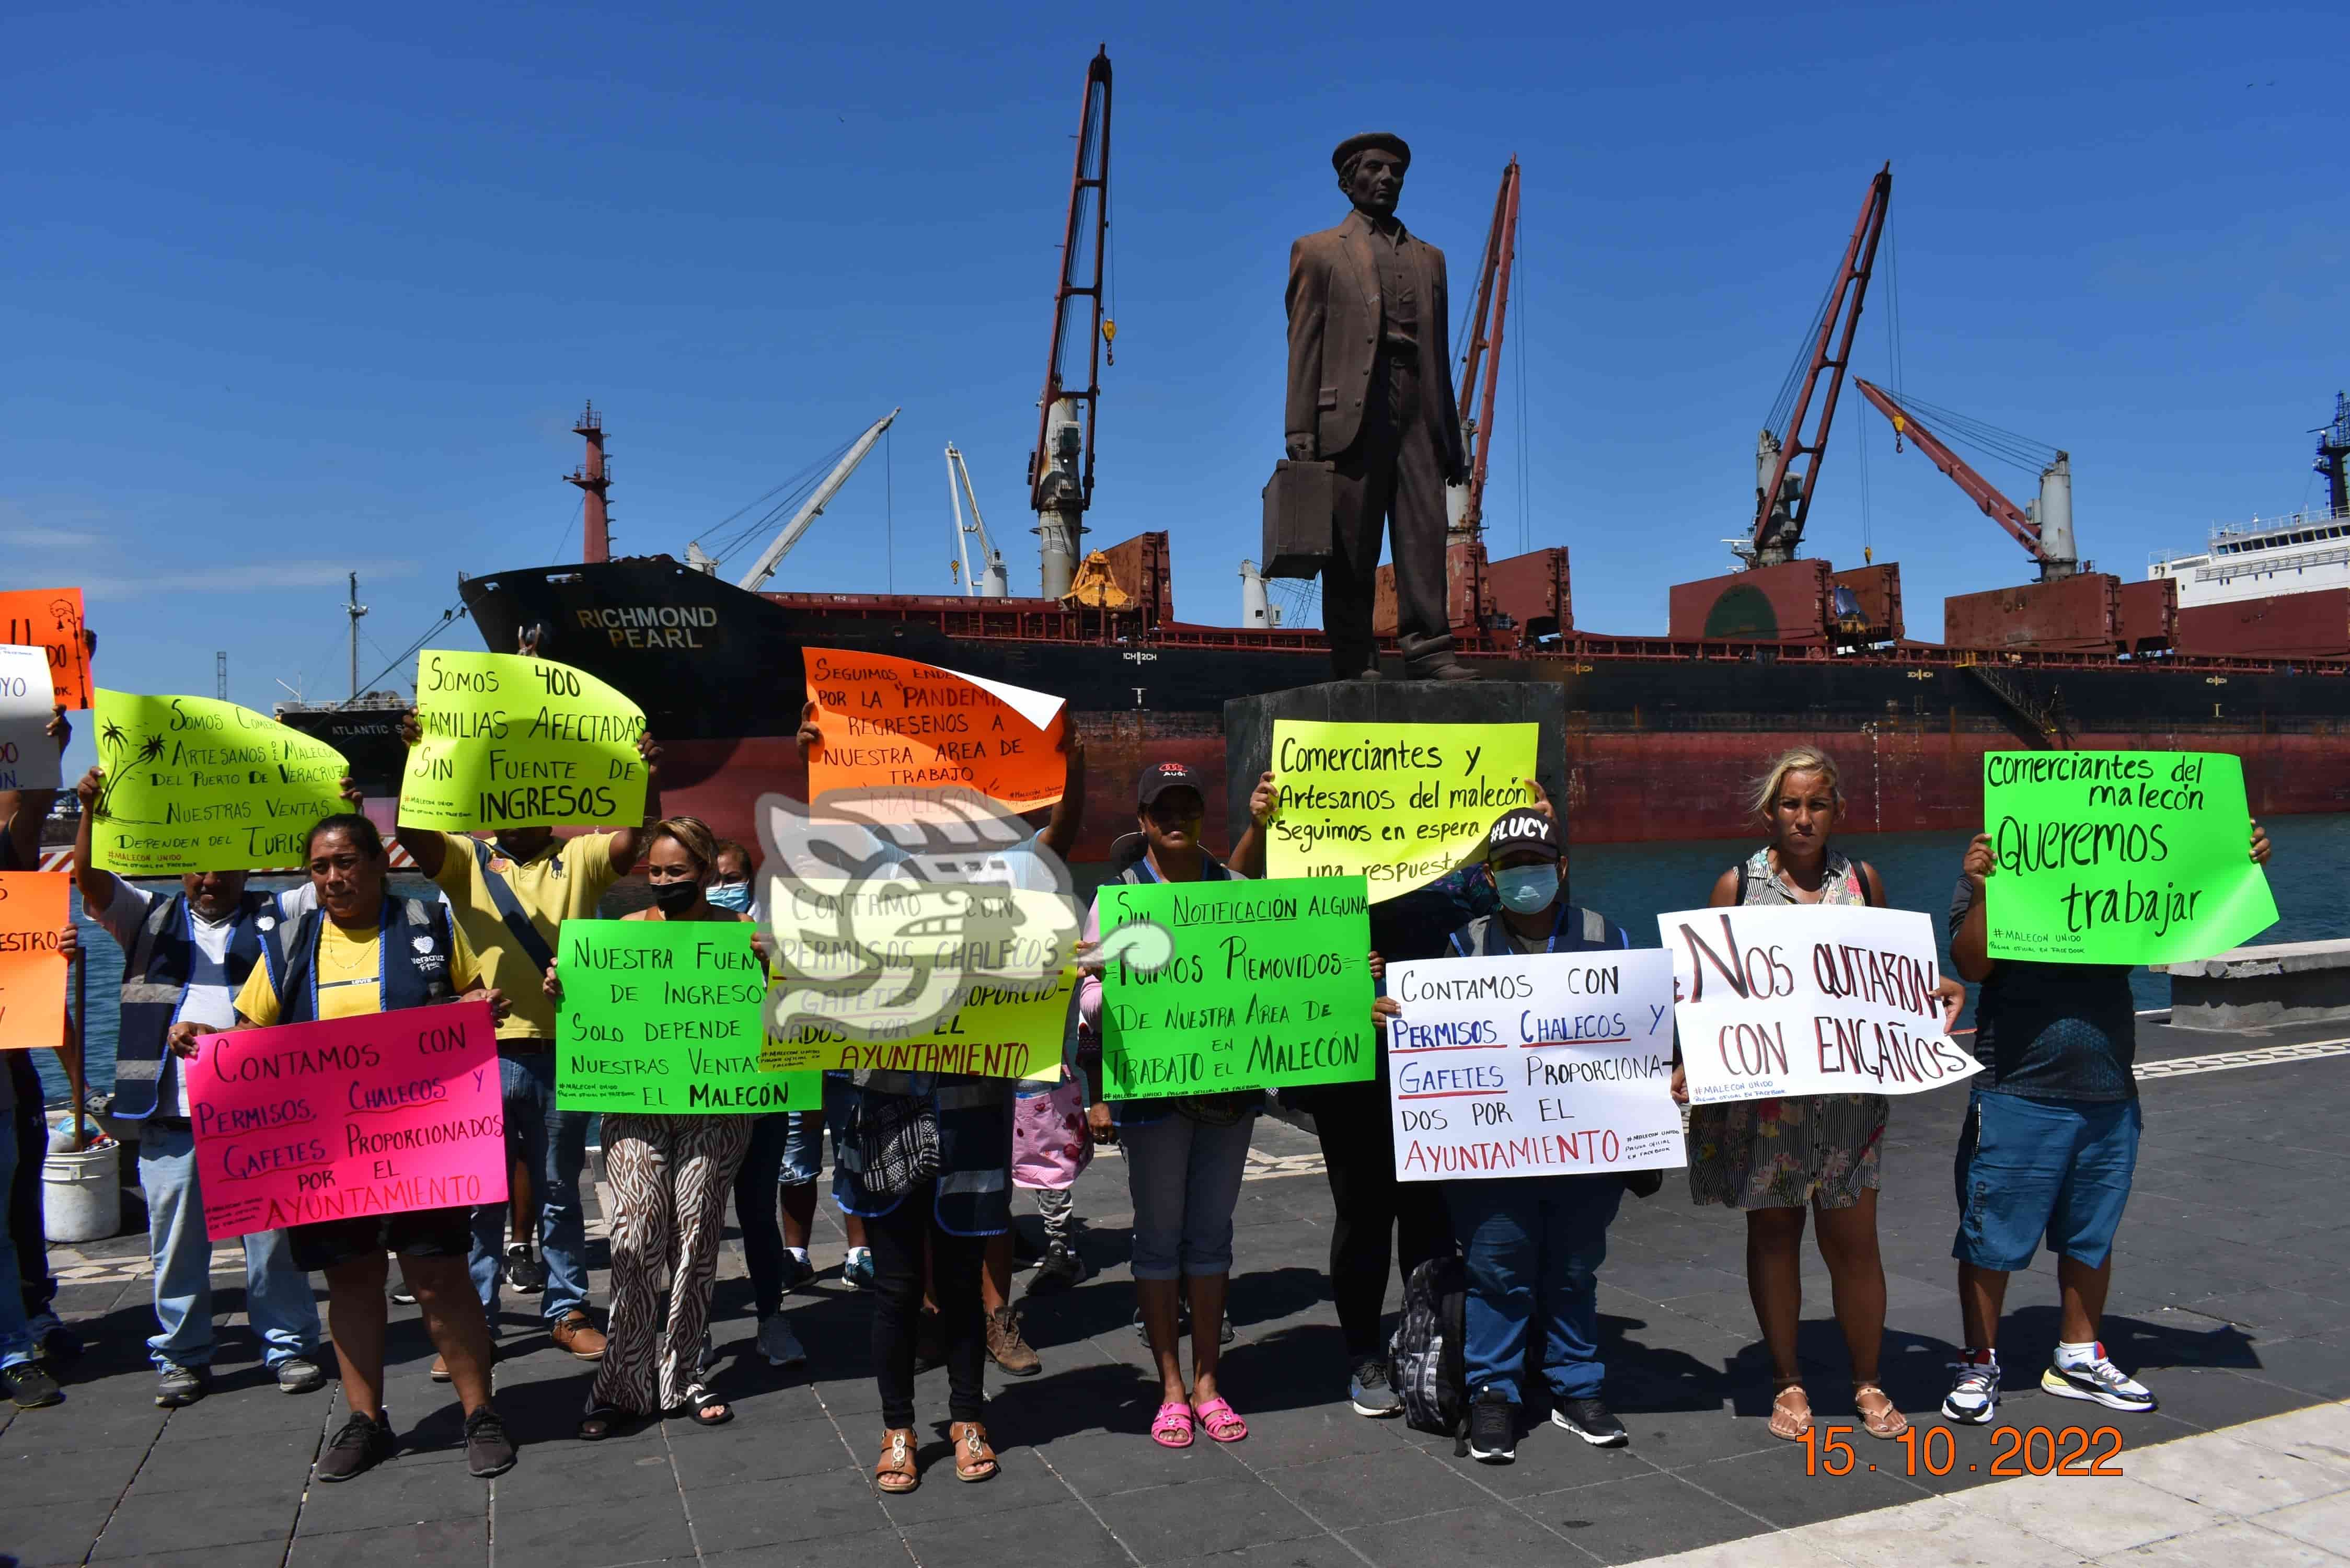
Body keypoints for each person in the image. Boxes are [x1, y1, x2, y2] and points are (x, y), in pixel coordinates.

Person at [178, 813, 517, 1481]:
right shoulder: (289, 943)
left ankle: (481, 1413)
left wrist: (484, 1006)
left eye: (346, 863)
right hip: (329, 1162)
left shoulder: (429, 926)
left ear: (378, 863)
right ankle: (366, 1420)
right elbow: (248, 1035)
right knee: (352, 1283)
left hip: (424, 1149)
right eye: (319, 867)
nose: (333, 878)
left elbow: (471, 995)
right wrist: (199, 1039)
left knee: (438, 1279)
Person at [1941, 819, 2273, 1424]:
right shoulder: (1984, 872)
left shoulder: (2125, 872)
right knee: (1990, 1236)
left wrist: (2238, 863)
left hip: (2107, 1086)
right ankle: (1978, 1360)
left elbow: (2191, 913)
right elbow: (1971, 965)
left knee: (2090, 1234)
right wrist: (1984, 890)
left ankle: (2076, 1354)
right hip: (2015, 1086)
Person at [1678, 747, 1960, 1444]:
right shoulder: (1735, 888)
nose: (1803, 817)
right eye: (1791, 804)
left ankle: (1868, 1379)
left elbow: (1889, 983)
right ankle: (1788, 1380)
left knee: (1854, 1241)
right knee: (1773, 1236)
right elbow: (1705, 995)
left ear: (1836, 811)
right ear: (1769, 811)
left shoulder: (1863, 881)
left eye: (1817, 804)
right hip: (1765, 1100)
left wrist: (1937, 992)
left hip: (1847, 1102)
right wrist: (1688, 1059)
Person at [390, 714, 666, 1374]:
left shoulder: (580, 857)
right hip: (480, 1056)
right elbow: (410, 834)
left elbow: (632, 840)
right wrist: (420, 759)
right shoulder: (466, 858)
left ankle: (566, 1309)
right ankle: (475, 1318)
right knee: (480, 1196)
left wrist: (644, 777)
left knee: (558, 1190)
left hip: (565, 1050)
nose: (521, 807)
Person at [71, 766, 326, 1406]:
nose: (209, 883)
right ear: (181, 869)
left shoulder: (283, 916)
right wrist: (93, 812)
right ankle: (182, 1355)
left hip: (261, 1117)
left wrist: (336, 806)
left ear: (249, 870)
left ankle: (289, 1346)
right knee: (175, 1246)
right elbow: (91, 880)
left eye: (222, 870)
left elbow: (330, 882)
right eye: (198, 870)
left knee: (274, 1241)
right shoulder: (145, 918)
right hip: (169, 1116)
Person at [1435, 808, 1638, 1463]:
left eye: (1537, 863)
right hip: (1494, 1151)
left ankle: (1576, 1387)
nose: (1527, 876)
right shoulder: (1465, 944)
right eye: (1512, 866)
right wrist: (1398, 1018)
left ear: (1562, 867)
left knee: (1576, 1271)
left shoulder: (1609, 938)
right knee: (1497, 1271)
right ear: (1491, 878)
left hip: (1583, 1148)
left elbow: (1640, 1029)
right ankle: (1492, 1394)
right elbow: (1439, 1043)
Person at [1076, 761, 1259, 1449]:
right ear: (1145, 820)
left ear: (1201, 814)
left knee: (1212, 1238)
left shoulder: (1237, 890)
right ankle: (1171, 1389)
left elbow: (1273, 977)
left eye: (1188, 806)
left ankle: (1209, 1383)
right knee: (1157, 1241)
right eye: (1163, 809)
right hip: (1153, 1096)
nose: (1176, 819)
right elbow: (1089, 1004)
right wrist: (1109, 976)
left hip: (1227, 1095)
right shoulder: (1118, 897)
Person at [558, 817, 758, 1437]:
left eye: (679, 872)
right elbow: (591, 1004)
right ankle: (623, 1382)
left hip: (714, 1104)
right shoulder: (620, 935)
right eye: (656, 872)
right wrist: (563, 986)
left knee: (697, 1234)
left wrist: (771, 969)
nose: (665, 882)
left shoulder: (741, 934)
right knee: (636, 1233)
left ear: (704, 872)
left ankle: (683, 1375)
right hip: (635, 1105)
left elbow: (777, 1010)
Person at [2, 704, 83, 1379]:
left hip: (7, 1068)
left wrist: (40, 751)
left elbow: (22, 820)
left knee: (21, 1187)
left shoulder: (6, 856)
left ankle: (33, 1311)